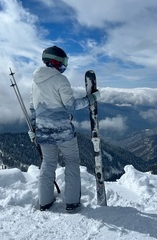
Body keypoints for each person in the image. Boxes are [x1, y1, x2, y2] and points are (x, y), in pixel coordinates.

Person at [28, 46, 100, 211]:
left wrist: (33, 128)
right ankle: (72, 202)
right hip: (63, 132)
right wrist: (92, 98)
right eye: (63, 62)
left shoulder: (35, 82)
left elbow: (33, 108)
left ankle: (44, 202)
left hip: (43, 131)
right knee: (72, 162)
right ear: (56, 62)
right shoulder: (60, 80)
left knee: (48, 163)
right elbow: (71, 105)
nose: (64, 66)